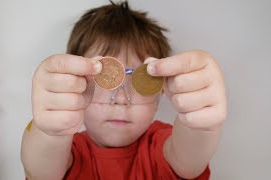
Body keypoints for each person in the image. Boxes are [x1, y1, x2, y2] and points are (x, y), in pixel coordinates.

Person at [21, 1, 227, 180]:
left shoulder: (163, 145)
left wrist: (201, 125)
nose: (120, 98)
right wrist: (50, 131)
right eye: (106, 79)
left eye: (138, 81)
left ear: (161, 91)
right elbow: (40, 171)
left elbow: (189, 158)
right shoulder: (66, 151)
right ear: (76, 84)